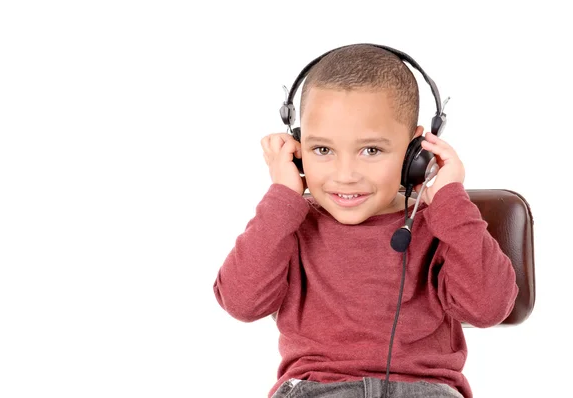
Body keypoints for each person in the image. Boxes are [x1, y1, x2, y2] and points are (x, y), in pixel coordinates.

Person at [212, 43, 518, 398]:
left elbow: (489, 309)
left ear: (415, 152)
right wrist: (283, 195)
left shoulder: (438, 222)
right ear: (298, 149)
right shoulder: (290, 223)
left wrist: (451, 201)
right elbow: (240, 302)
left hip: (424, 391)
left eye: (371, 150)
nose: (345, 175)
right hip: (318, 390)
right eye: (322, 150)